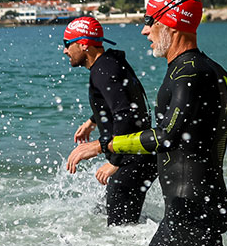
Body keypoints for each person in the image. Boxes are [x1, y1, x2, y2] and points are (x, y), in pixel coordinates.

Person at [67, 0, 227, 246]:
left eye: (151, 21)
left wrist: (105, 146)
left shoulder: (189, 74)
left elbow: (166, 136)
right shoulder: (211, 70)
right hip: (185, 214)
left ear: (172, 24)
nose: (144, 30)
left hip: (192, 216)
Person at [63, 16, 157, 225]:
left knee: (119, 231)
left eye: (67, 44)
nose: (65, 50)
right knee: (110, 215)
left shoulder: (103, 71)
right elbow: (124, 101)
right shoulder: (111, 63)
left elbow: (126, 115)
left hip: (132, 159)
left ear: (83, 44)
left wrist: (115, 162)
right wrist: (92, 121)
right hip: (139, 155)